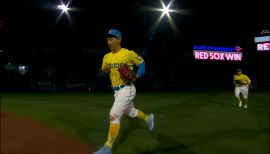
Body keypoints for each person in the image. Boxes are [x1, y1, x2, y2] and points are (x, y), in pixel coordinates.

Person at [94, 29, 154, 154]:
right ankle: (148, 118)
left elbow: (142, 62)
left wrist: (138, 74)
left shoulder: (128, 53)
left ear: (119, 40)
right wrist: (105, 69)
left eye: (111, 39)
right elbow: (105, 70)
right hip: (117, 92)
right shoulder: (107, 56)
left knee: (114, 115)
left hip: (127, 89)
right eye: (107, 39)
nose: (108, 42)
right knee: (131, 112)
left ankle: (107, 147)